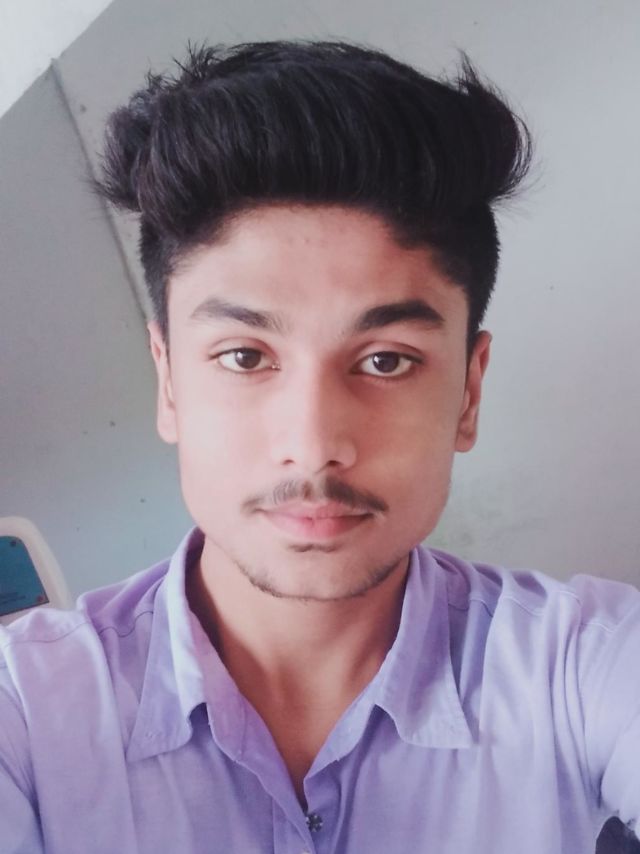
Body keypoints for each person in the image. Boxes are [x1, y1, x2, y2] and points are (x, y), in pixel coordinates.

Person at [0, 40, 638, 854]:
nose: (312, 447)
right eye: (245, 357)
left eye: (386, 361)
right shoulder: (25, 711)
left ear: (468, 393)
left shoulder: (586, 662)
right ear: (169, 382)